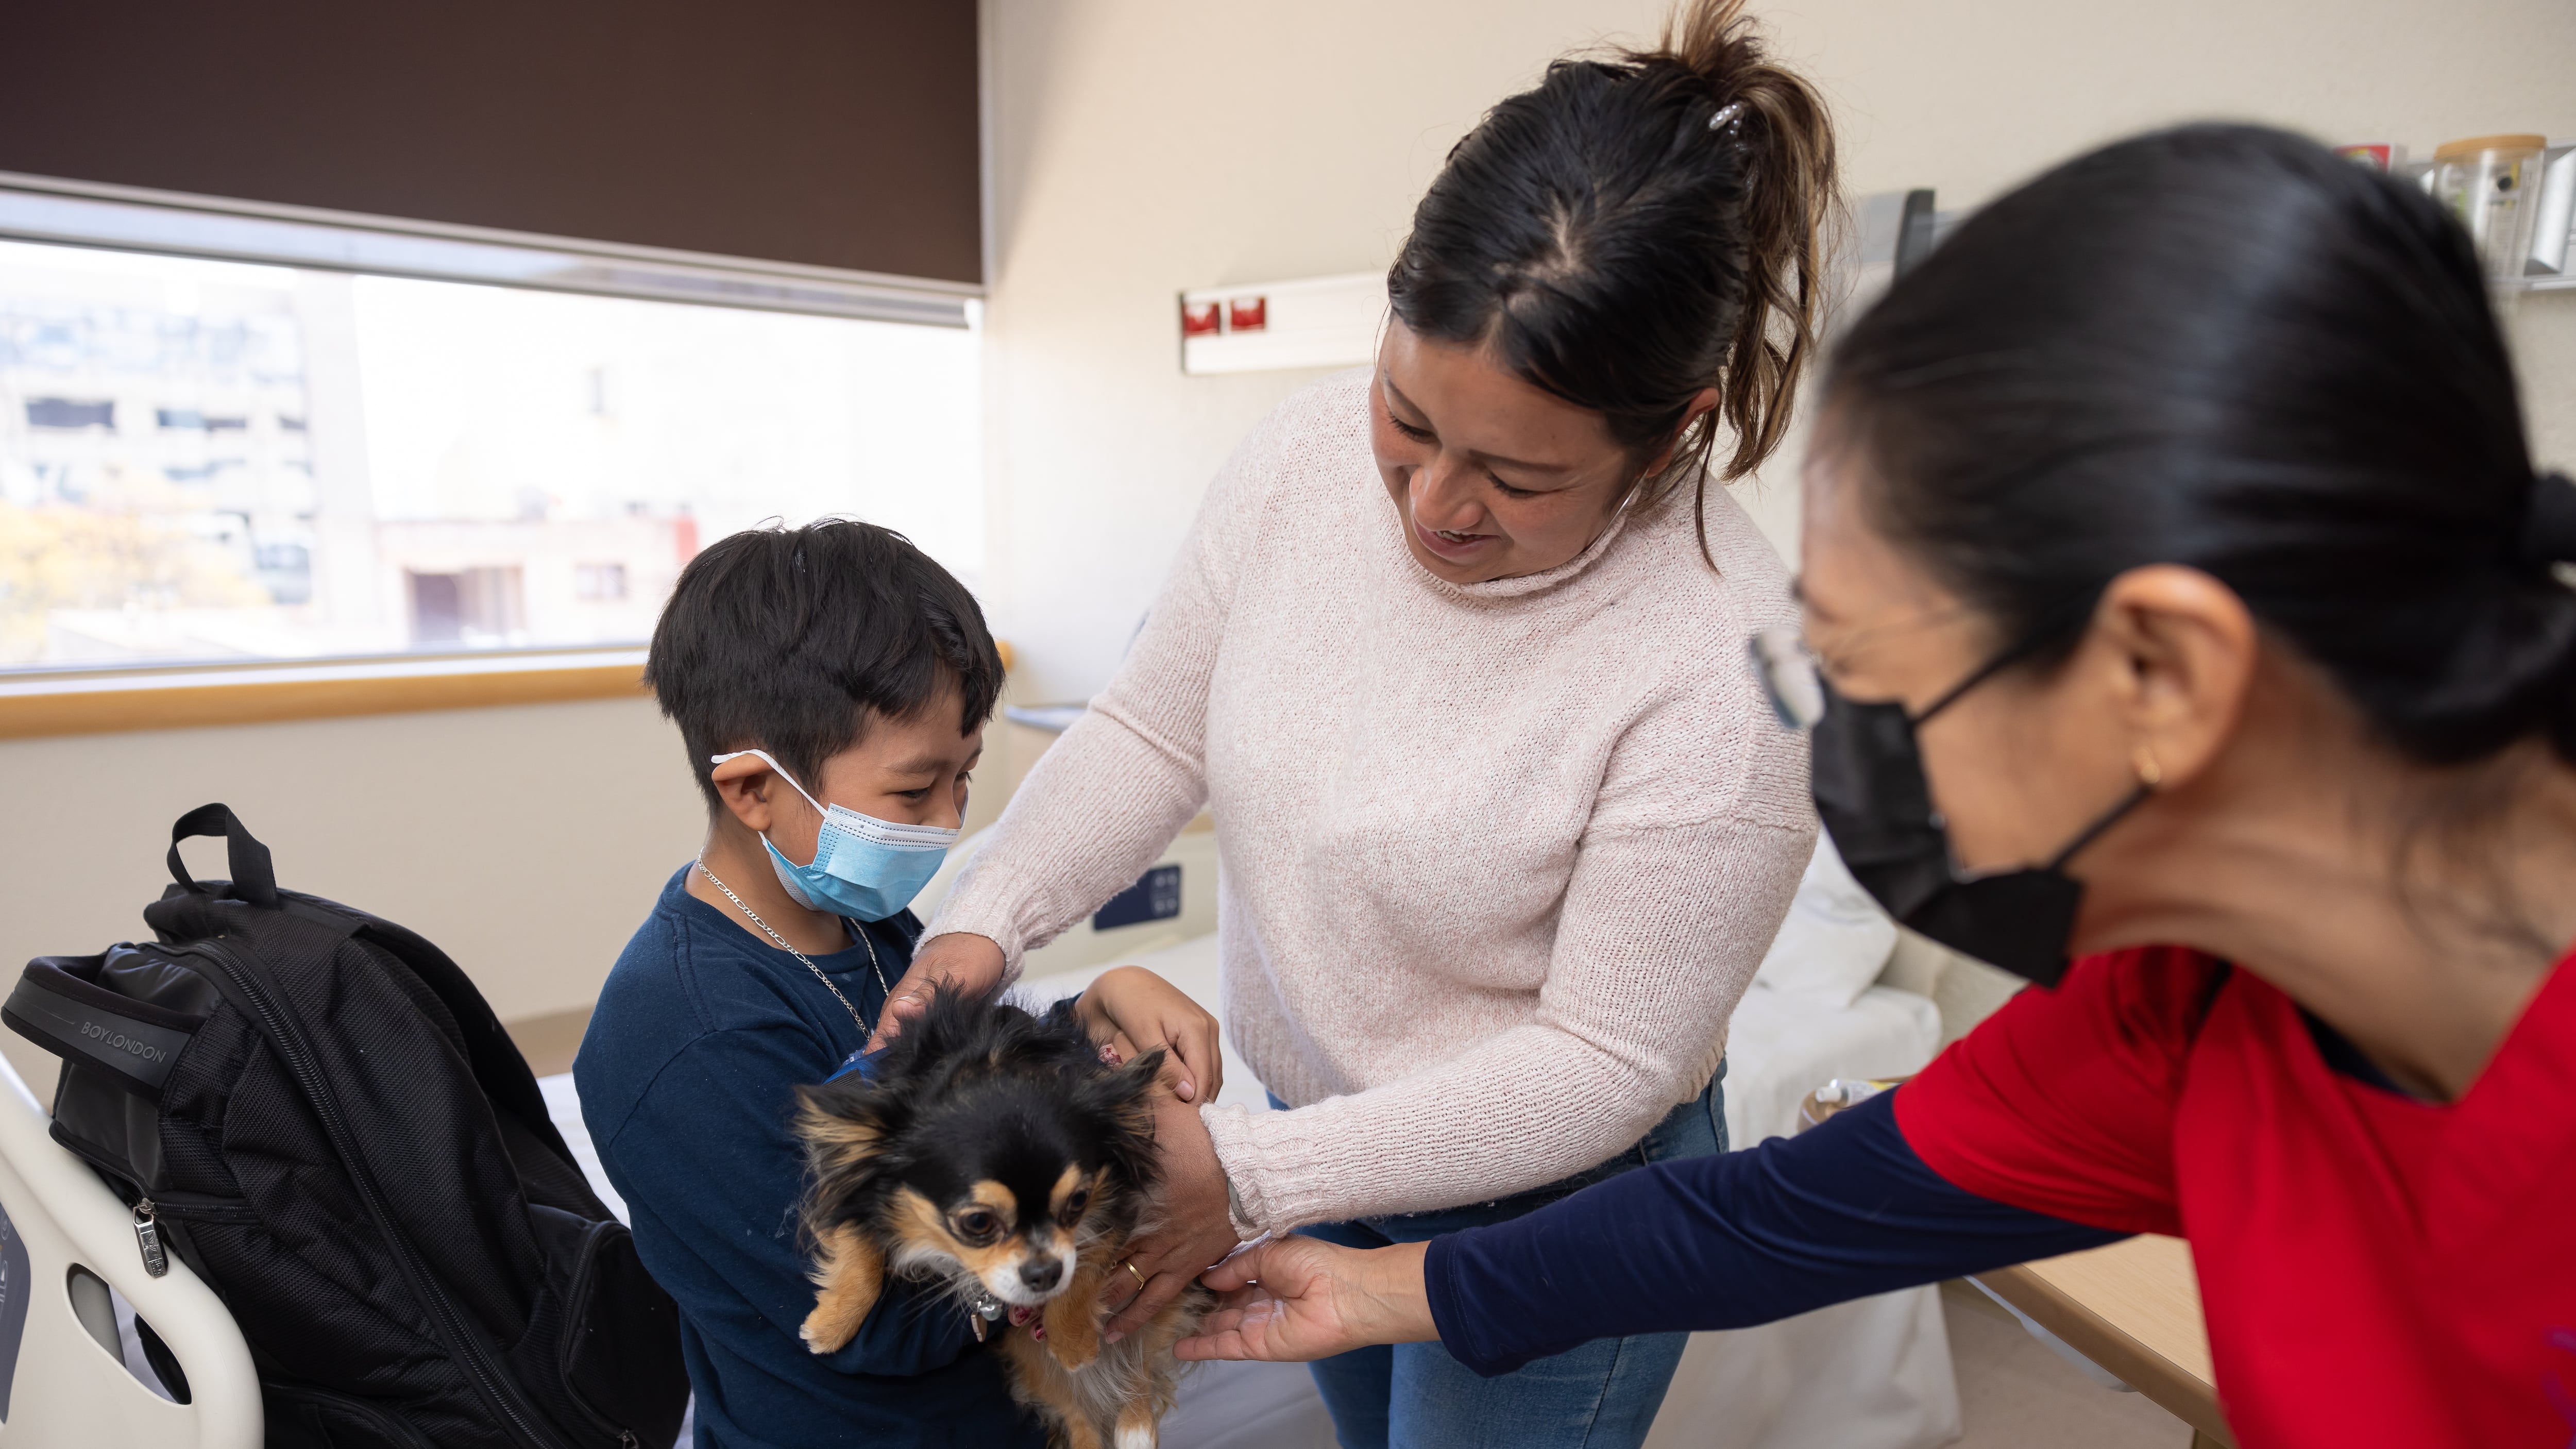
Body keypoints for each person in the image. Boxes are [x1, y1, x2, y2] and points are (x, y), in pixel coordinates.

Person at [1170, 124, 2576, 1447]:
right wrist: (1381, 1287)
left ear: (2163, 672)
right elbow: (1766, 1217)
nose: (1838, 744)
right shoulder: (2186, 1015)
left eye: (1865, 673)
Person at [866, 3, 1837, 1443]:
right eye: (1408, 417)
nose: (1435, 504)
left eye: (1517, 477)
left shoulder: (1727, 664)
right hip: (1320, 1136)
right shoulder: (1300, 463)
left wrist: (1249, 1175)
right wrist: (986, 915)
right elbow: (1153, 729)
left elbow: (1605, 1062)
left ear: (1673, 430)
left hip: (1550, 1203)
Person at [572, 519, 1214, 1449]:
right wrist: (1095, 1238)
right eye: (915, 791)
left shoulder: (867, 923)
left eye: (966, 777)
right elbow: (881, 1329)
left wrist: (1090, 1017)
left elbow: (967, 1110)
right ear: (754, 790)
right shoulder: (684, 1041)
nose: (950, 821)